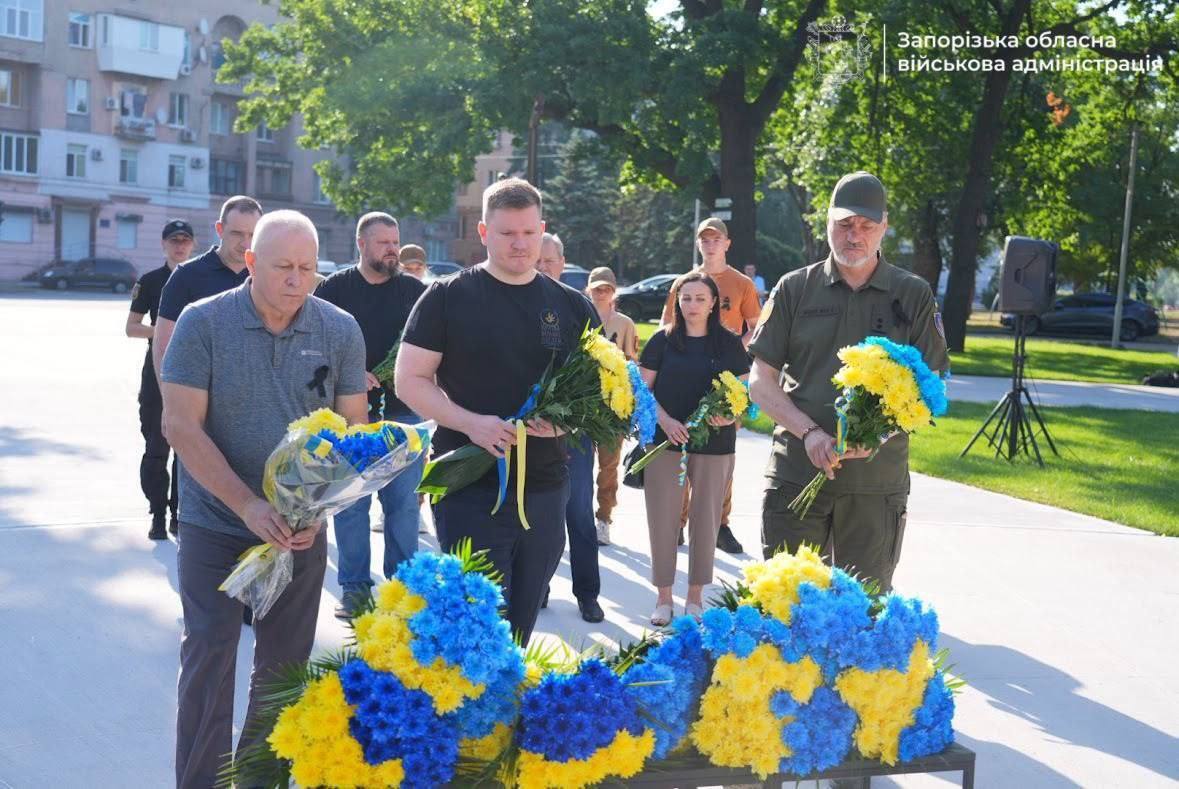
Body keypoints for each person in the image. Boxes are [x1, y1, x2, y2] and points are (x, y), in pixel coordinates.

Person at [162, 210, 368, 788]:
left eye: (308, 268)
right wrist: (247, 506)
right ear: (250, 262)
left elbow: (356, 431)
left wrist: (319, 509)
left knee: (284, 665)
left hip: (300, 530)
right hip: (214, 522)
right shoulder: (204, 323)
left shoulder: (340, 329)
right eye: (283, 266)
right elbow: (180, 426)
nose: (296, 279)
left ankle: (258, 779)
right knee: (210, 649)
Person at [396, 179, 599, 644]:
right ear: (484, 232)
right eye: (508, 233)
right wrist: (471, 424)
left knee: (521, 626)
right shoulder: (447, 297)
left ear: (542, 229)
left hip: (547, 489)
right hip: (468, 488)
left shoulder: (571, 306)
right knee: (473, 631)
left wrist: (565, 421)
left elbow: (599, 393)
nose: (520, 244)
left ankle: (509, 716)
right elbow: (410, 379)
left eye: (529, 232)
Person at [748, 171, 949, 591]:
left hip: (876, 486)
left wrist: (879, 432)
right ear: (827, 223)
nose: (853, 235)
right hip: (797, 473)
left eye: (865, 226)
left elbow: (930, 388)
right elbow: (760, 381)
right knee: (787, 609)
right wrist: (809, 433)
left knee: (864, 613)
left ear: (883, 228)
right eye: (844, 224)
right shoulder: (794, 288)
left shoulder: (911, 294)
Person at [315, 213, 427, 619]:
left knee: (403, 507)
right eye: (383, 242)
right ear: (361, 244)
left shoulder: (415, 292)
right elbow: (314, 344)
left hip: (404, 418)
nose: (393, 250)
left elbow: (430, 346)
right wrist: (348, 374)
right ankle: (355, 590)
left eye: (395, 241)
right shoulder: (333, 289)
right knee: (351, 507)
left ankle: (401, 592)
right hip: (349, 419)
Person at [640, 271, 750, 625]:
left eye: (700, 298)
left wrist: (728, 414)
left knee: (706, 520)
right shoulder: (661, 341)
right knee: (663, 520)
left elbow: (743, 393)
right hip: (666, 442)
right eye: (685, 298)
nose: (692, 305)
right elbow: (643, 393)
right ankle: (663, 598)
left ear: (714, 302)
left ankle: (695, 597)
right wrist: (666, 422)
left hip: (715, 445)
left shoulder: (730, 344)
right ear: (676, 302)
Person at [660, 217, 761, 554]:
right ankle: (677, 522)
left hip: (725, 382)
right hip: (686, 376)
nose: (710, 244)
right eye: (705, 239)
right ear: (699, 244)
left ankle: (720, 524)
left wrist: (735, 354)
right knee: (682, 449)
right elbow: (666, 325)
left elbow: (755, 326)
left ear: (727, 243)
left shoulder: (741, 283)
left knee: (721, 454)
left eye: (716, 238)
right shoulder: (683, 282)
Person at [532, 231, 605, 623]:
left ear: (563, 263)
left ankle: (587, 593)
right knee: (538, 516)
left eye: (550, 261)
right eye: (538, 260)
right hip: (528, 431)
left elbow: (602, 366)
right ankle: (537, 585)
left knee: (578, 513)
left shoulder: (579, 306)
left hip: (574, 433)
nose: (543, 267)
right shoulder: (518, 303)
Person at [126, 219, 194, 540]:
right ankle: (157, 512)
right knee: (156, 447)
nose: (179, 246)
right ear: (164, 244)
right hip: (157, 372)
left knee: (189, 449)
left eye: (185, 240)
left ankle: (179, 514)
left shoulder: (200, 278)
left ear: (192, 244)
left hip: (195, 372)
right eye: (173, 240)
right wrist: (165, 330)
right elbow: (132, 327)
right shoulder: (151, 281)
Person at [153, 196, 263, 378]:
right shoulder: (186, 276)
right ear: (220, 229)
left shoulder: (266, 276)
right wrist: (171, 400)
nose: (245, 243)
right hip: (197, 392)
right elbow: (164, 346)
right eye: (237, 233)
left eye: (252, 235)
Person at [584, 265, 638, 546]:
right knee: (578, 466)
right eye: (596, 288)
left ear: (614, 292)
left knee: (608, 465)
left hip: (612, 405)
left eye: (606, 288)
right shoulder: (580, 316)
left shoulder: (624, 324)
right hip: (581, 403)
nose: (601, 293)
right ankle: (577, 519)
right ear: (588, 289)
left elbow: (632, 364)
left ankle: (603, 518)